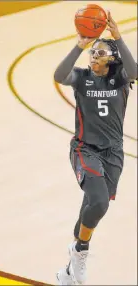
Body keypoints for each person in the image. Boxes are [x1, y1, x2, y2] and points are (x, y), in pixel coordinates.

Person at [54, 11, 137, 285]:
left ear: (112, 59)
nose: (93, 55)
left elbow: (135, 70)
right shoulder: (80, 78)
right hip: (84, 149)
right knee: (98, 201)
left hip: (113, 153)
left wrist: (118, 37)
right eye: (92, 51)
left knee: (92, 207)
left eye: (99, 52)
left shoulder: (121, 80)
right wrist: (79, 44)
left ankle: (69, 270)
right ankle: (80, 251)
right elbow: (59, 74)